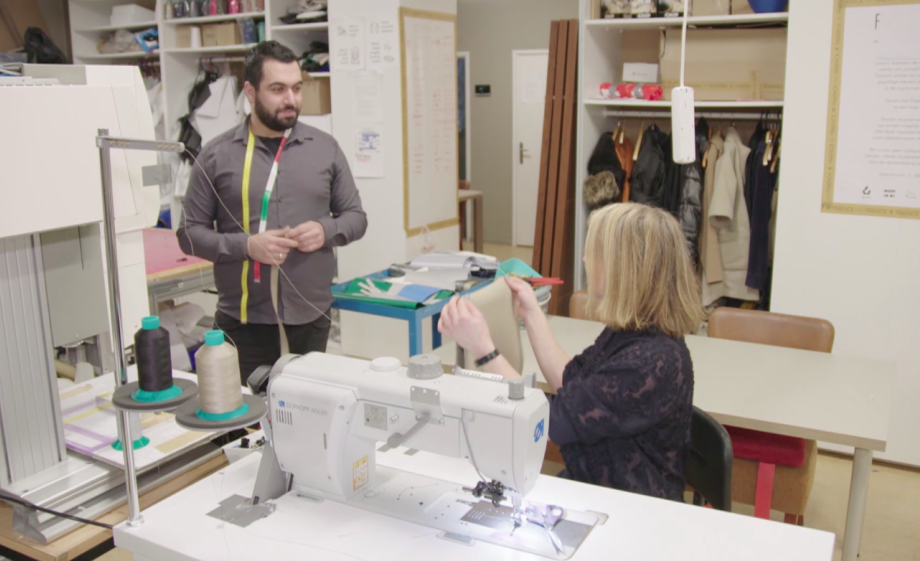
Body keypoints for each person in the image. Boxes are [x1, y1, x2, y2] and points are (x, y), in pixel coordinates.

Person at [438, 203, 704, 501]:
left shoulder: (652, 362)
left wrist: (483, 349)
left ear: (625, 269)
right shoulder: (633, 331)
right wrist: (531, 313)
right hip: (602, 485)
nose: (585, 259)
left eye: (596, 253)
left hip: (631, 507)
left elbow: (548, 420)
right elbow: (573, 384)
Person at [178, 41, 367, 384]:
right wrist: (246, 247)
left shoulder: (325, 149)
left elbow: (356, 217)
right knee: (248, 424)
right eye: (277, 89)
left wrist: (325, 230)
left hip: (311, 315)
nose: (291, 100)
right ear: (250, 91)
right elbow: (189, 234)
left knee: (307, 414)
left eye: (296, 88)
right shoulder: (216, 155)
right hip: (244, 321)